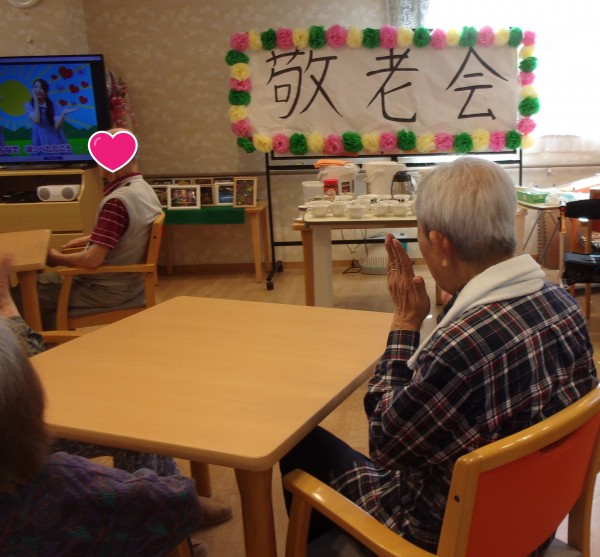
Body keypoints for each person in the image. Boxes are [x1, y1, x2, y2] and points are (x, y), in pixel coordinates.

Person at [280, 156, 599, 556]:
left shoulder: (460, 348)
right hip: (532, 524)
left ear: (442, 244)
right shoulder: (562, 305)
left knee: (299, 445)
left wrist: (405, 323)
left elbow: (386, 444)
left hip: (448, 536)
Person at [1, 257, 230, 557]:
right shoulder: (60, 480)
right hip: (106, 288)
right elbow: (93, 258)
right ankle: (167, 532)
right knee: (134, 430)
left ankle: (175, 526)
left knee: (134, 424)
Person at [12, 127, 161, 329]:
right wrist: (93, 238)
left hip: (103, 289)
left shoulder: (117, 202)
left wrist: (56, 259)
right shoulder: (143, 189)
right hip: (129, 285)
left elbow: (92, 260)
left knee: (22, 295)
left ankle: (31, 341)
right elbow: (130, 232)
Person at [26, 78, 77, 148]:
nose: (38, 90)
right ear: (32, 90)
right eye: (36, 87)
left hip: (54, 137)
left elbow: (57, 126)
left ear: (46, 91)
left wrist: (63, 114)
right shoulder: (29, 105)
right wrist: (36, 101)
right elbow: (36, 120)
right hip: (39, 137)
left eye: (41, 88)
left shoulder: (53, 106)